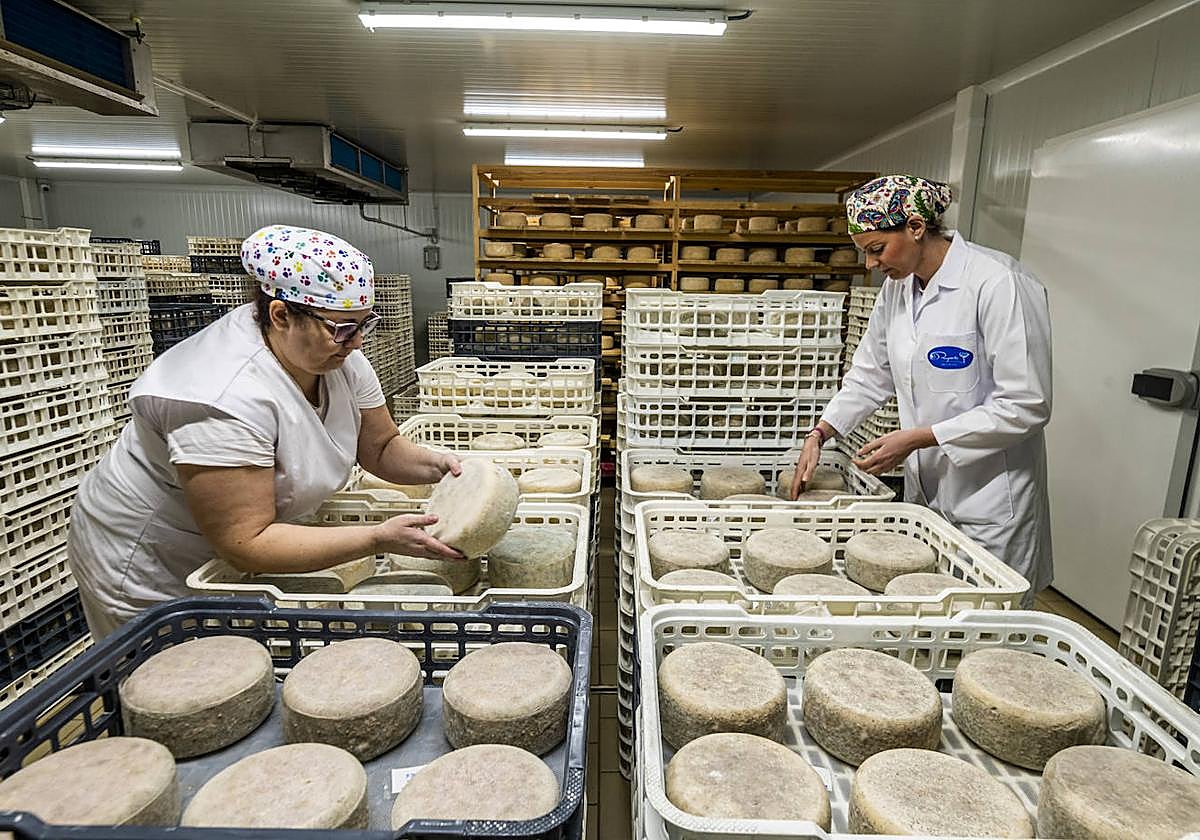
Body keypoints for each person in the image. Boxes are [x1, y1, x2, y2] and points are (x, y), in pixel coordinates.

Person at [67, 225, 463, 638]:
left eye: (365, 325)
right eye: (344, 328)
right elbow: (245, 541)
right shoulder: (221, 395)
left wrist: (442, 465)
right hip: (158, 553)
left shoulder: (338, 357)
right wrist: (376, 539)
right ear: (280, 315)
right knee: (174, 679)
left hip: (250, 536)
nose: (358, 342)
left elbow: (380, 448)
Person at [790, 175, 1053, 603]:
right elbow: (871, 373)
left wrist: (919, 439)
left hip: (988, 502)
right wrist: (821, 432)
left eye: (877, 249)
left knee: (985, 630)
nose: (871, 265)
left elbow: (1025, 404)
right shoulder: (897, 290)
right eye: (865, 253)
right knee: (929, 621)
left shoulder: (998, 283)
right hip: (926, 499)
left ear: (915, 227)